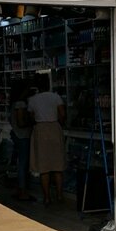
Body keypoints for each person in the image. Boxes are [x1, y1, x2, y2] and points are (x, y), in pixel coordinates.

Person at [27, 75, 66, 204]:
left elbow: (31, 117)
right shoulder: (56, 97)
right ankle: (59, 195)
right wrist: (59, 123)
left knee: (44, 167)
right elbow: (62, 114)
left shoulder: (33, 100)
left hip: (40, 130)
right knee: (57, 165)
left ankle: (47, 197)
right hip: (54, 128)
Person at [10, 82, 34, 201]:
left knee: (20, 163)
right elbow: (21, 123)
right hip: (23, 136)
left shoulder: (13, 104)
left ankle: (19, 189)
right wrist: (32, 121)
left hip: (16, 135)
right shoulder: (21, 104)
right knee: (23, 164)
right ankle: (23, 191)